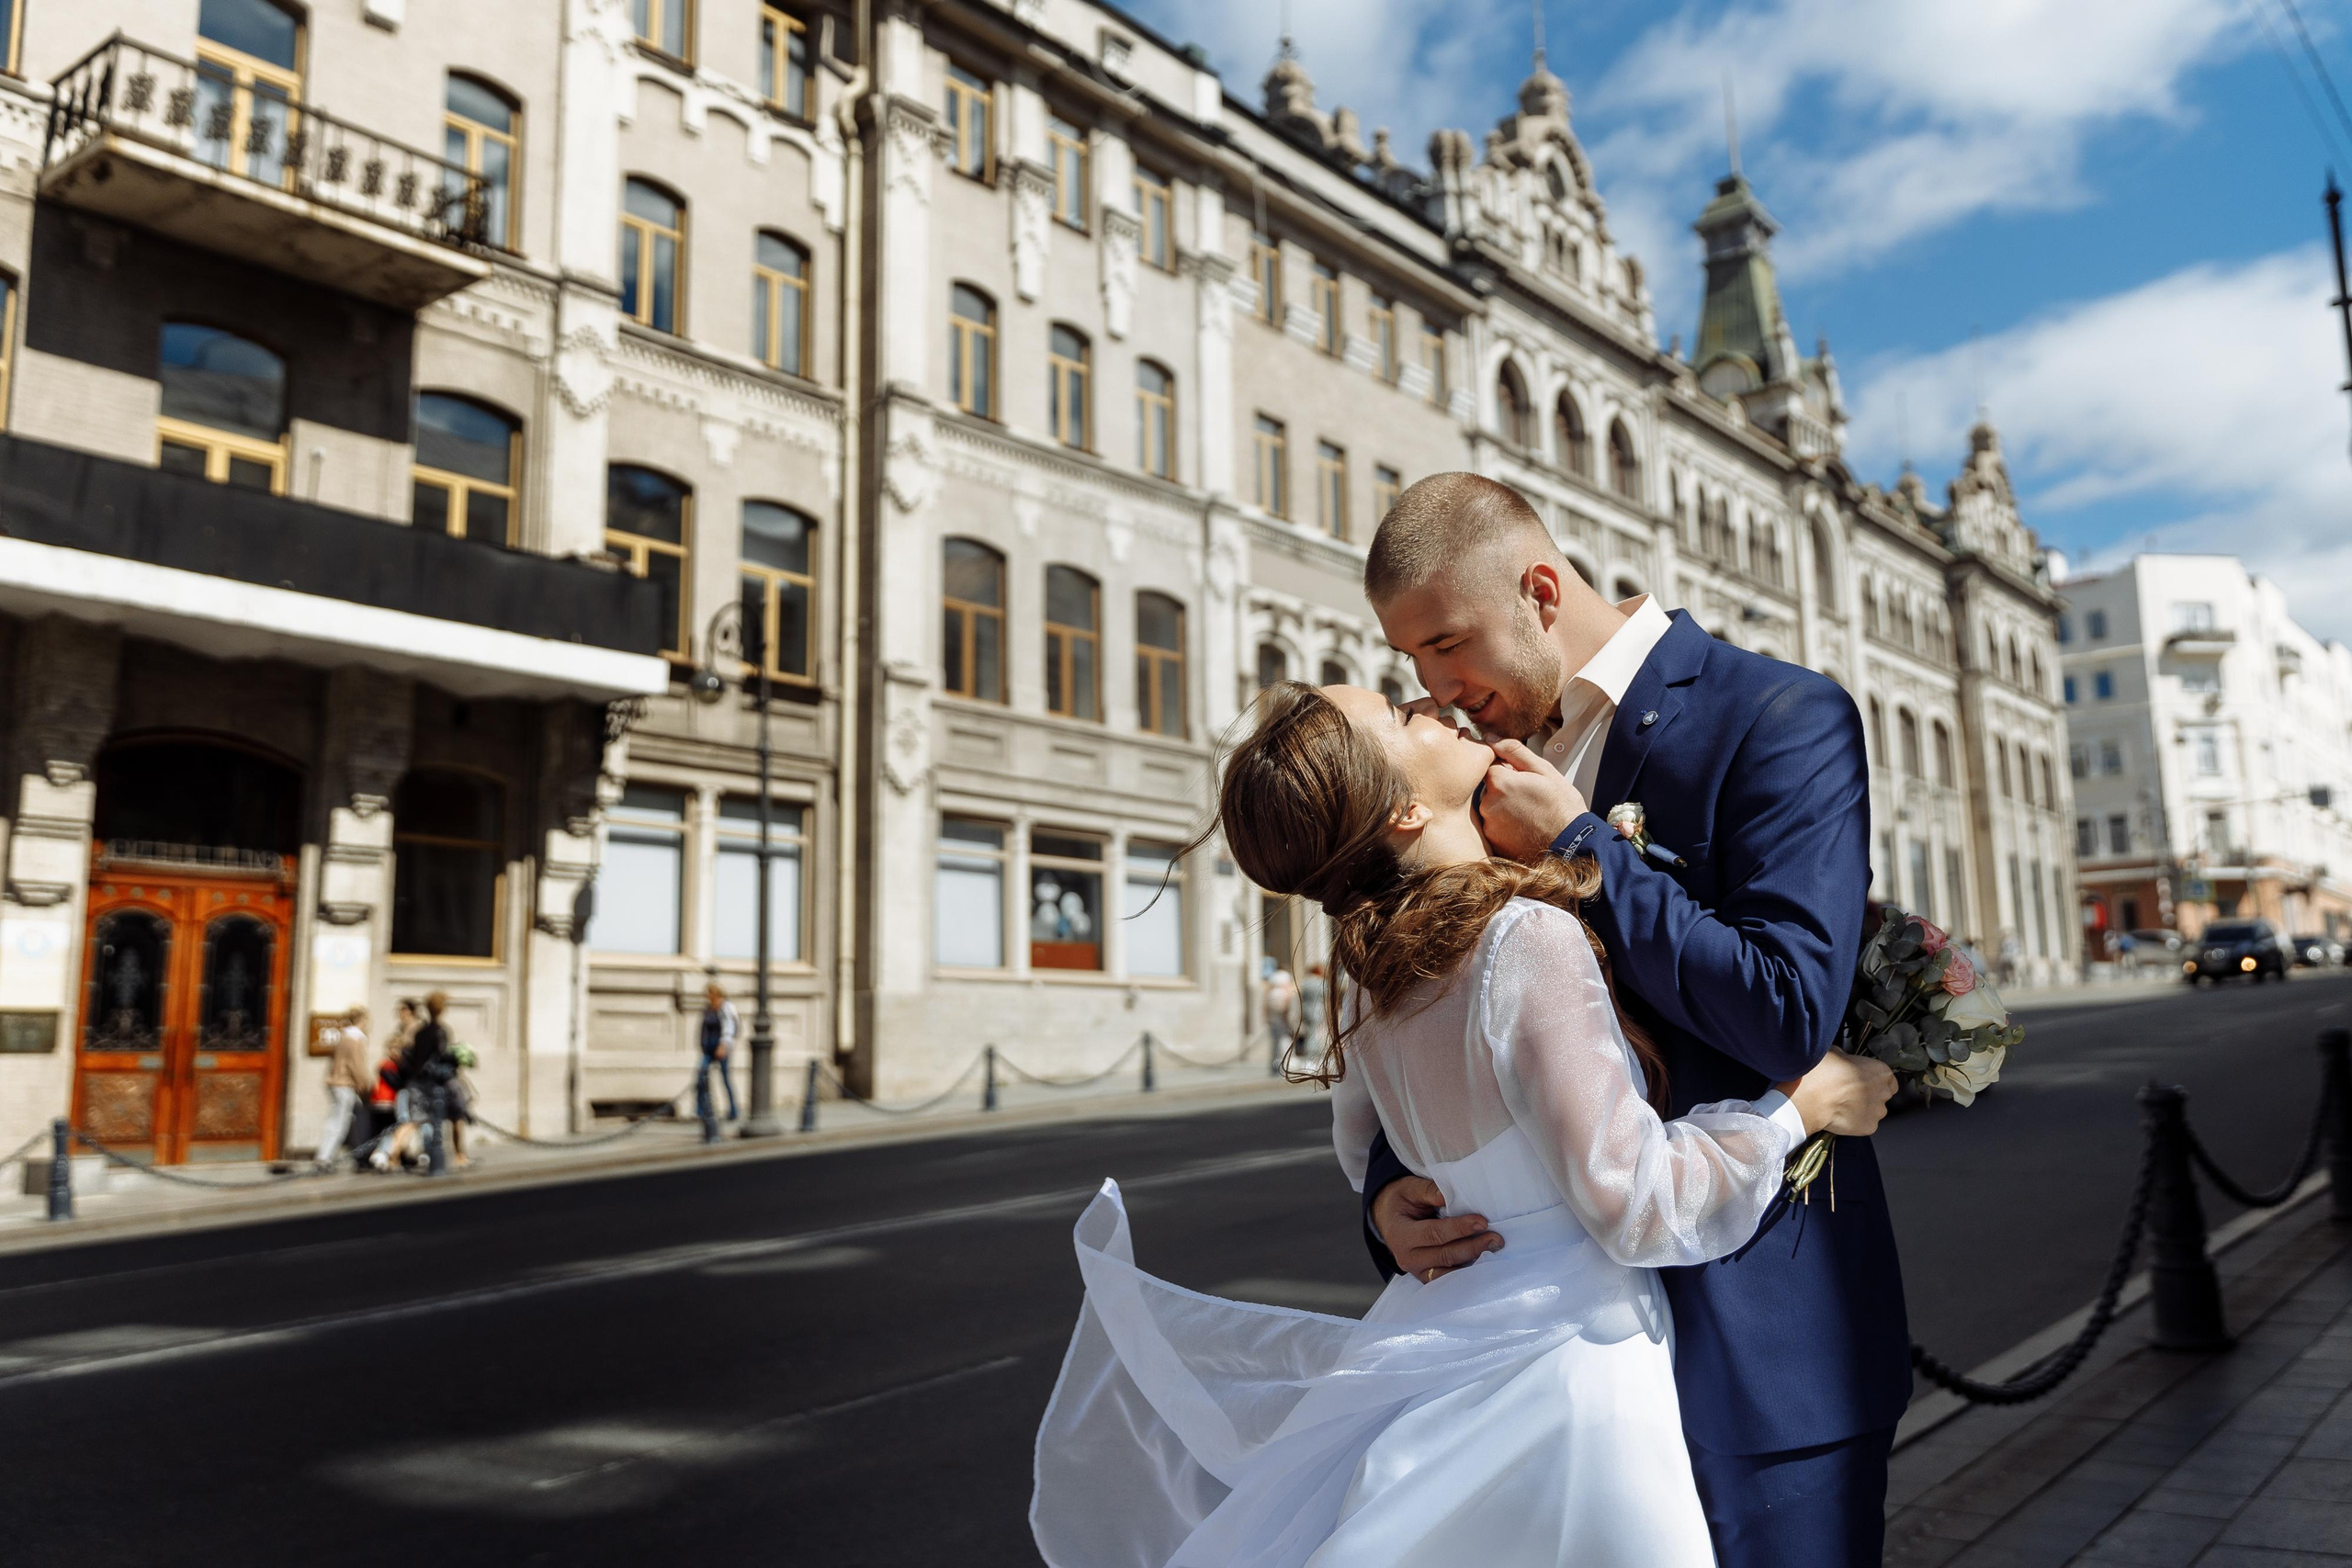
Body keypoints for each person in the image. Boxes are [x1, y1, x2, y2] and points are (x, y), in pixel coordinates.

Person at [1031, 680, 1894, 1566]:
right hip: (1571, 1357)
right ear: (1404, 808)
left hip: (1447, 1331)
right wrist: (1794, 1111)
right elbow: (1635, 1201)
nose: (1428, 704)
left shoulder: (1368, 975)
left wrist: (1387, 1205)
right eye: (1399, 715)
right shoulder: (1524, 940)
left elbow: (1365, 1149)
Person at [1349, 474, 1909, 1564]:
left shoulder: (1776, 716)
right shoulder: (1464, 772)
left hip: (1754, 1347)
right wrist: (1387, 1191)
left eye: (1448, 643)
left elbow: (1787, 1012)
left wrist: (1584, 847)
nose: (1436, 688)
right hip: (1548, 1371)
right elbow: (1442, 1009)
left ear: (1539, 592)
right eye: (1411, 659)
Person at [316, 1007, 371, 1170]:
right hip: (345, 1084)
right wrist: (366, 1084)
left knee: (335, 1120)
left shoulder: (342, 1036)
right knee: (340, 1123)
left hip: (334, 1083)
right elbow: (357, 1065)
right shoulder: (357, 1038)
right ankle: (325, 1157)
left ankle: (327, 1155)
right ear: (362, 1020)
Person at [696, 983, 740, 1143]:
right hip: (709, 1048)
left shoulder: (726, 1007)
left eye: (709, 993)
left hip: (721, 1047)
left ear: (716, 993)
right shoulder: (708, 1009)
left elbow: (729, 1027)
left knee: (725, 1078)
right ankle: (701, 1110)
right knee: (700, 1075)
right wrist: (703, 1044)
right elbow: (703, 1028)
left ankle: (733, 1110)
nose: (707, 996)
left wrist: (724, 1045)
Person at [1260, 966, 1299, 1072]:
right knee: (1285, 1039)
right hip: (1282, 1015)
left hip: (1274, 1015)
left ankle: (1275, 1063)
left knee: (1276, 1041)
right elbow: (1288, 993)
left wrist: (1267, 1016)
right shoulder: (1285, 981)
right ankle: (1286, 1061)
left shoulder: (1272, 985)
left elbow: (1266, 1001)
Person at [1296, 963, 1329, 1055]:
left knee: (1309, 1031)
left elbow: (1300, 997)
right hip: (1317, 1010)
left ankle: (1308, 1050)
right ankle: (1311, 1052)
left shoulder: (1305, 982)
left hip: (1305, 1009)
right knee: (1313, 1032)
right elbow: (1326, 996)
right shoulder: (1321, 982)